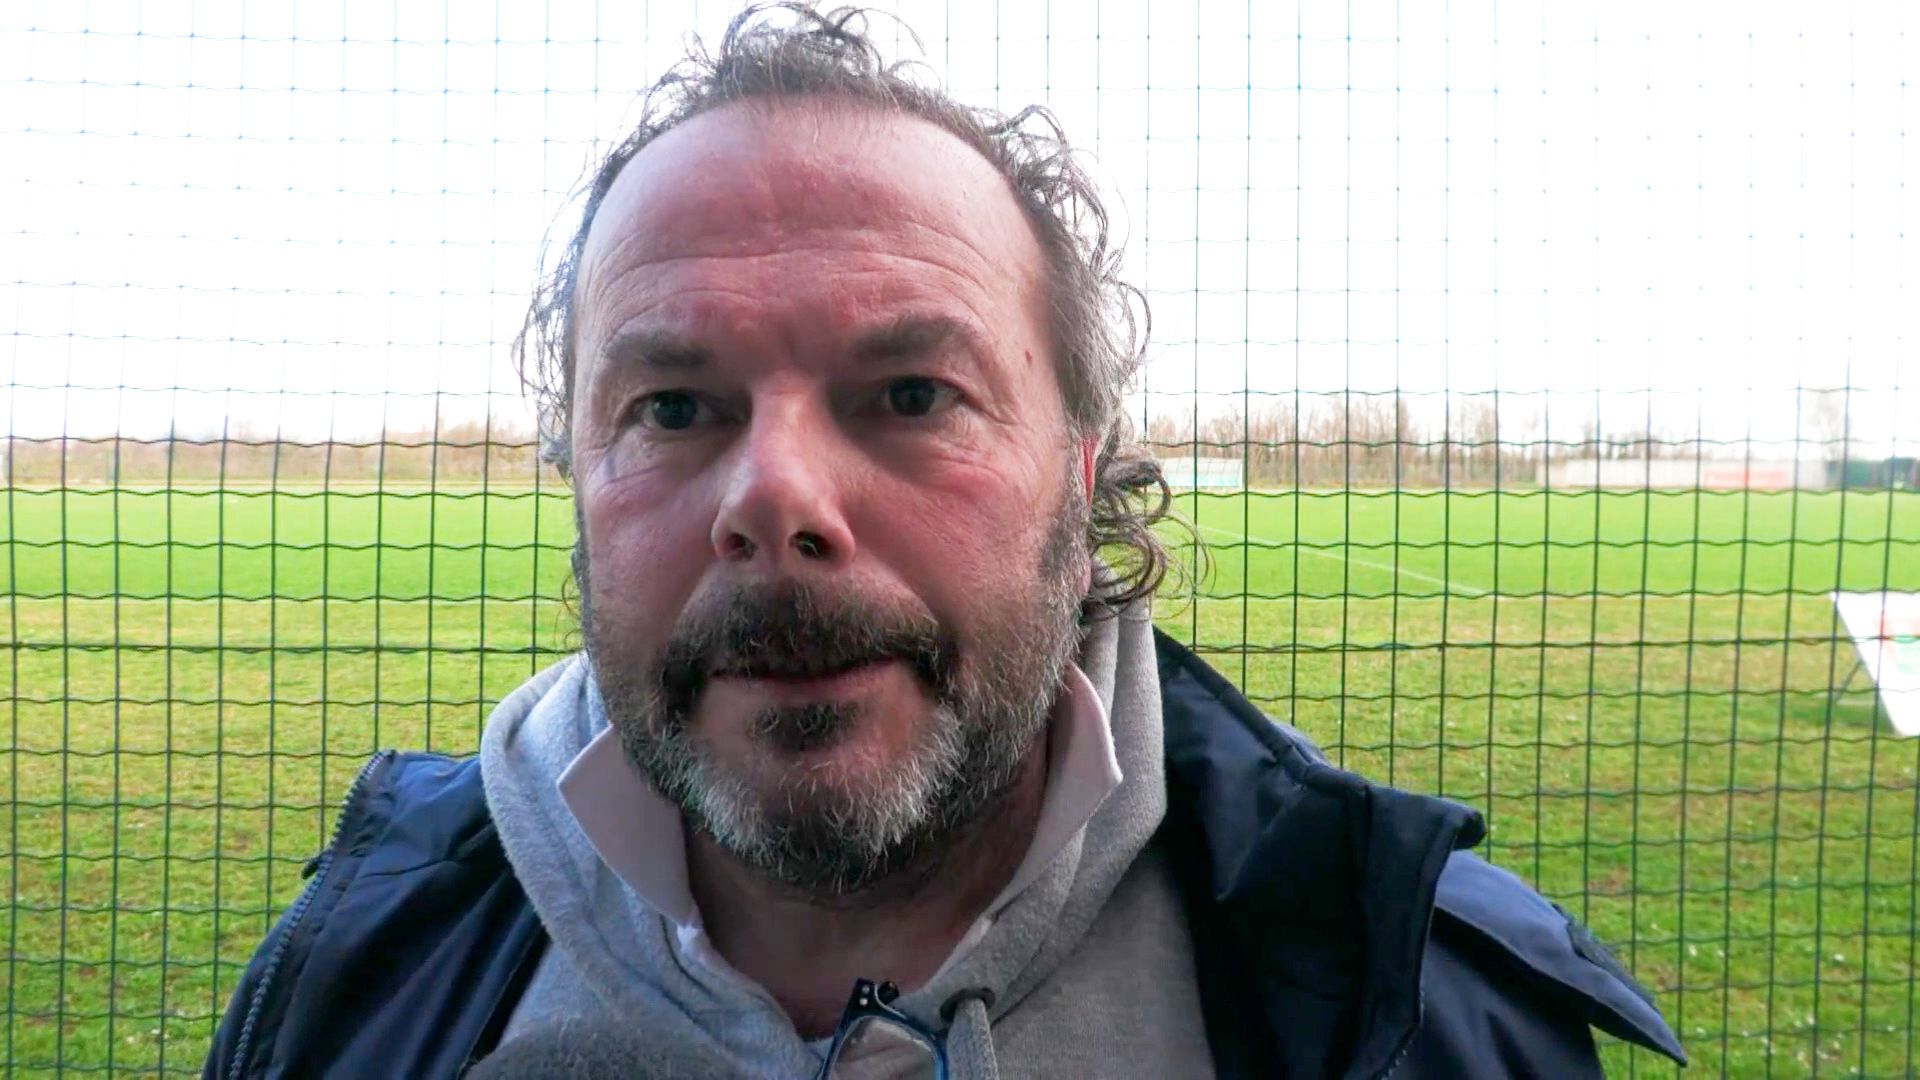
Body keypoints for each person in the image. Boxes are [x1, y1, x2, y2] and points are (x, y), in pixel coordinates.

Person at [205, 5, 1684, 1077]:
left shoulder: (1418, 995)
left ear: (1080, 475)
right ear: (576, 475)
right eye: (674, 407)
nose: (777, 499)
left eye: (912, 394)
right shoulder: (355, 982)